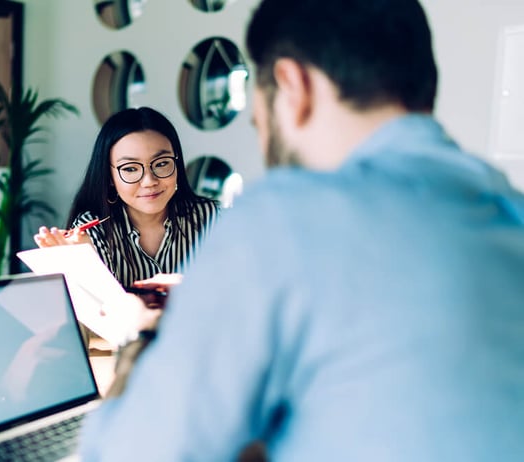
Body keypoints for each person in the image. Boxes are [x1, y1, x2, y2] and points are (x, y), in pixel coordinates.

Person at [78, 0, 524, 461]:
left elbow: (133, 453)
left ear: (293, 85)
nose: (263, 136)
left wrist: (143, 342)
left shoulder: (281, 219)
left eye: (259, 118)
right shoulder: (511, 211)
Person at [34, 107, 219, 292]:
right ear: (110, 177)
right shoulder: (92, 233)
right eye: (130, 169)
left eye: (162, 164)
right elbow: (97, 315)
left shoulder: (212, 219)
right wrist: (82, 267)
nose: (149, 181)